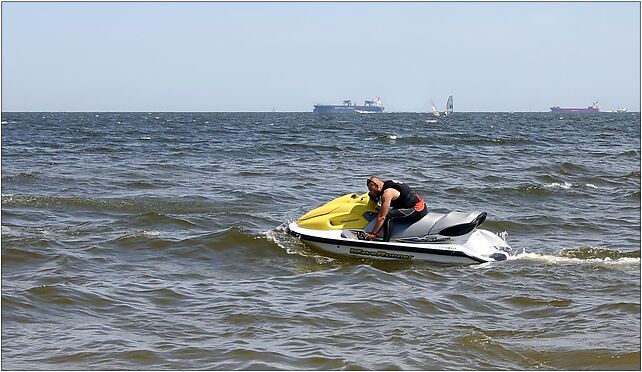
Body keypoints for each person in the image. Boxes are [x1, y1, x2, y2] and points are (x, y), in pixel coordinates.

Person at [364, 176, 427, 242]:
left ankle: (385, 244)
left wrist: (373, 233)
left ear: (376, 186)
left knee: (388, 216)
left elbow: (382, 217)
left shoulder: (387, 193)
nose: (370, 192)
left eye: (371, 189)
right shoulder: (384, 184)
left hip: (418, 209)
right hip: (406, 206)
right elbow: (373, 197)